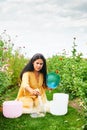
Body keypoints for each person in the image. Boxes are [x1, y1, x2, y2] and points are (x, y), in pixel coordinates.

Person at [16, 53, 50, 117]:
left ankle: (36, 106)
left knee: (39, 105)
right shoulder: (27, 73)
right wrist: (31, 91)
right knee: (29, 104)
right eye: (37, 63)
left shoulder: (42, 74)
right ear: (33, 62)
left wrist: (49, 87)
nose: (39, 65)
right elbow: (25, 84)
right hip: (27, 95)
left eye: (41, 64)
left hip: (38, 95)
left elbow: (42, 86)